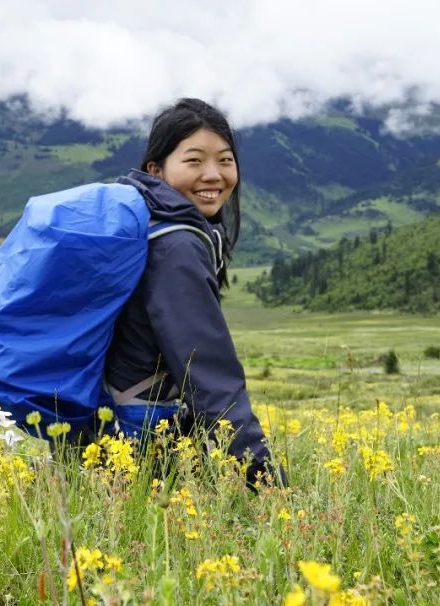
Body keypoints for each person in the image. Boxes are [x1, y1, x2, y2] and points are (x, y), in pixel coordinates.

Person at [104, 98, 283, 486]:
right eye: (194, 160)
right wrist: (270, 485)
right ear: (156, 169)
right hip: (140, 432)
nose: (213, 175)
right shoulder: (176, 247)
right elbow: (209, 375)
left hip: (119, 419)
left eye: (225, 159)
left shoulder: (153, 225)